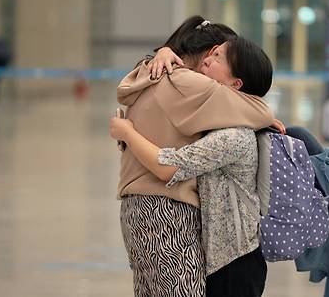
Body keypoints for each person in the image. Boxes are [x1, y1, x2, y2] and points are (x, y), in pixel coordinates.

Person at [114, 16, 275, 297]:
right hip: (168, 211)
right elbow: (261, 112)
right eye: (215, 53)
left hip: (133, 209)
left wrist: (164, 52)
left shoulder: (149, 75)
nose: (211, 61)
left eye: (220, 56)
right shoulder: (191, 85)